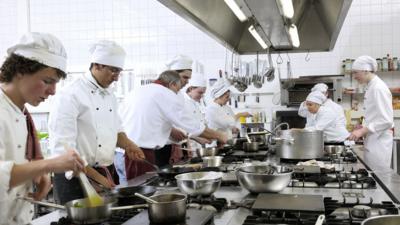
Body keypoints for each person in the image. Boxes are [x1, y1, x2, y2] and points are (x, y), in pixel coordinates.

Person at [0, 32, 85, 225]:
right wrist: (49, 164)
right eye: (47, 81)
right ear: (20, 70)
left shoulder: (19, 111)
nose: (53, 91)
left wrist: (36, 172)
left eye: (55, 83)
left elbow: (12, 163)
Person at [48, 40, 144, 204]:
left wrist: (128, 144)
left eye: (119, 71)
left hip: (106, 172)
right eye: (113, 70)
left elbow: (116, 129)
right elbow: (64, 148)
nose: (116, 77)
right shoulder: (70, 95)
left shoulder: (110, 95)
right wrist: (96, 177)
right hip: (75, 177)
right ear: (97, 65)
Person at [119, 70, 227, 180]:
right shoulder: (164, 93)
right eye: (178, 89)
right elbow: (190, 124)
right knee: (143, 187)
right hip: (140, 153)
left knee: (139, 185)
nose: (177, 93)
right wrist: (219, 136)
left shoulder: (141, 90)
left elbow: (150, 118)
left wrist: (171, 130)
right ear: (172, 84)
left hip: (128, 150)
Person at [348, 55, 394, 168]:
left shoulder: (378, 88)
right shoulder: (371, 86)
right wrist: (362, 126)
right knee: (373, 177)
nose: (354, 76)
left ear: (365, 70)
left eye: (355, 72)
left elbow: (386, 120)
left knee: (379, 178)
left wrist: (364, 130)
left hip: (379, 143)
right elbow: (375, 115)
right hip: (374, 141)